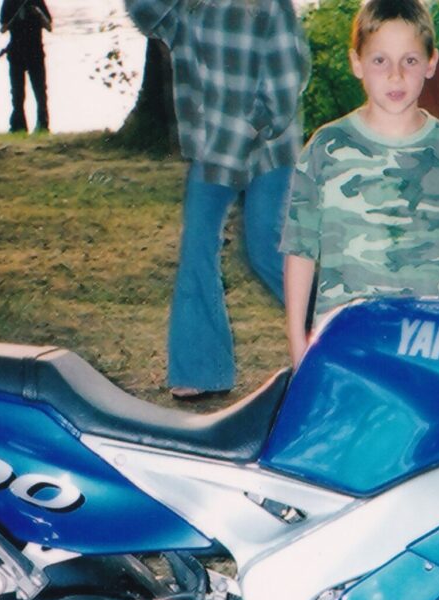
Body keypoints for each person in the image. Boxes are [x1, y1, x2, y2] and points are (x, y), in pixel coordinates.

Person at [280, 0, 439, 365]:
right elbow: (299, 254)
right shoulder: (325, 148)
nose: (395, 76)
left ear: (431, 63)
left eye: (409, 60)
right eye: (380, 60)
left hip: (431, 351)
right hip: (343, 349)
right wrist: (297, 344)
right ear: (357, 63)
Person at [124, 0, 310, 400]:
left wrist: (248, 128)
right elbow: (144, 11)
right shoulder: (187, 8)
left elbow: (288, 82)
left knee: (265, 248)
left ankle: (338, 327)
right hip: (213, 152)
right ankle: (202, 370)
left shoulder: (270, 7)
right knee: (196, 247)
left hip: (268, 151)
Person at [0, 0, 52, 134]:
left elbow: (49, 27)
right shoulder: (9, 2)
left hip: (35, 53)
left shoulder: (37, 1)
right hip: (16, 53)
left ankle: (43, 124)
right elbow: (3, 28)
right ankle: (18, 125)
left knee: (40, 91)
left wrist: (38, 13)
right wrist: (9, 23)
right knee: (17, 93)